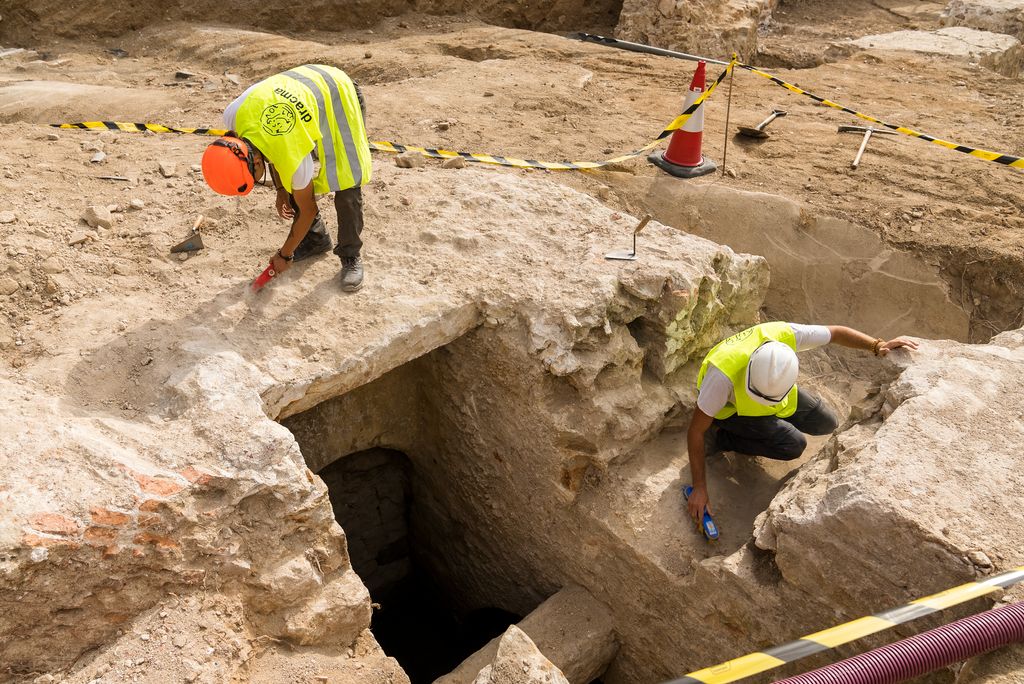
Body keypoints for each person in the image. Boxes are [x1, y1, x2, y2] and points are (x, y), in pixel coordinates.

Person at [685, 321, 919, 523]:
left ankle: (764, 422)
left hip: (781, 399)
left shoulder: (783, 336)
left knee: (827, 422)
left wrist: (878, 346)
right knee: (793, 445)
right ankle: (720, 438)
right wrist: (699, 487)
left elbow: (835, 332)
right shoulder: (721, 377)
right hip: (733, 413)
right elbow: (695, 430)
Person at [200, 64, 372, 292]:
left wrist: (285, 254)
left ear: (257, 162)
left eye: (255, 178)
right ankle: (315, 239)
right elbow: (266, 146)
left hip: (338, 93)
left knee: (346, 178)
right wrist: (282, 190)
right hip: (306, 91)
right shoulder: (234, 116)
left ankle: (351, 255)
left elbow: (307, 207)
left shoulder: (292, 155)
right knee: (293, 182)